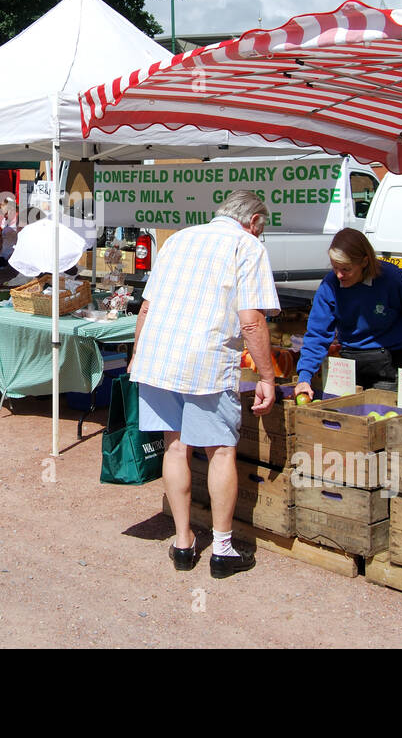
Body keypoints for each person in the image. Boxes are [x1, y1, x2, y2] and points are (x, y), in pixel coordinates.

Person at [129, 189, 280, 579]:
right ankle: (223, 548)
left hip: (158, 355)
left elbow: (146, 306)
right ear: (255, 222)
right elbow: (251, 321)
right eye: (261, 230)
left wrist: (136, 354)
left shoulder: (177, 239)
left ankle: (183, 542)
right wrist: (267, 376)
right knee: (221, 452)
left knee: (175, 447)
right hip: (206, 360)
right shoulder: (247, 246)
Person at [294, 228, 402, 398]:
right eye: (335, 268)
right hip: (349, 362)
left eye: (346, 269)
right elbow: (317, 334)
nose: (339, 275)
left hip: (389, 364)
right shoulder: (330, 285)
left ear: (364, 262)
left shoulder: (392, 279)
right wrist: (304, 376)